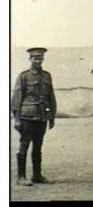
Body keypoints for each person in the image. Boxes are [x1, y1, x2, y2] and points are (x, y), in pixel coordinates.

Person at [12, 47, 57, 186]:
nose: (38, 61)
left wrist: (52, 116)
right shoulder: (24, 76)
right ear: (30, 59)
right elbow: (17, 98)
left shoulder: (47, 76)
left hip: (42, 116)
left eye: (40, 58)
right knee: (24, 145)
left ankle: (37, 175)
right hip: (27, 116)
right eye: (35, 58)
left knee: (38, 146)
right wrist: (17, 119)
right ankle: (21, 177)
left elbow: (51, 96)